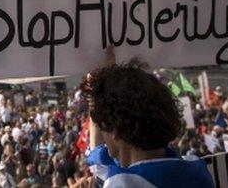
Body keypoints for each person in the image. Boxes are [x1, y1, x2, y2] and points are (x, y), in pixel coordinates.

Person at [81, 59, 214, 188]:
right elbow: (100, 164)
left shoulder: (121, 184)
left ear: (115, 132)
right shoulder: (196, 168)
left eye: (101, 126)